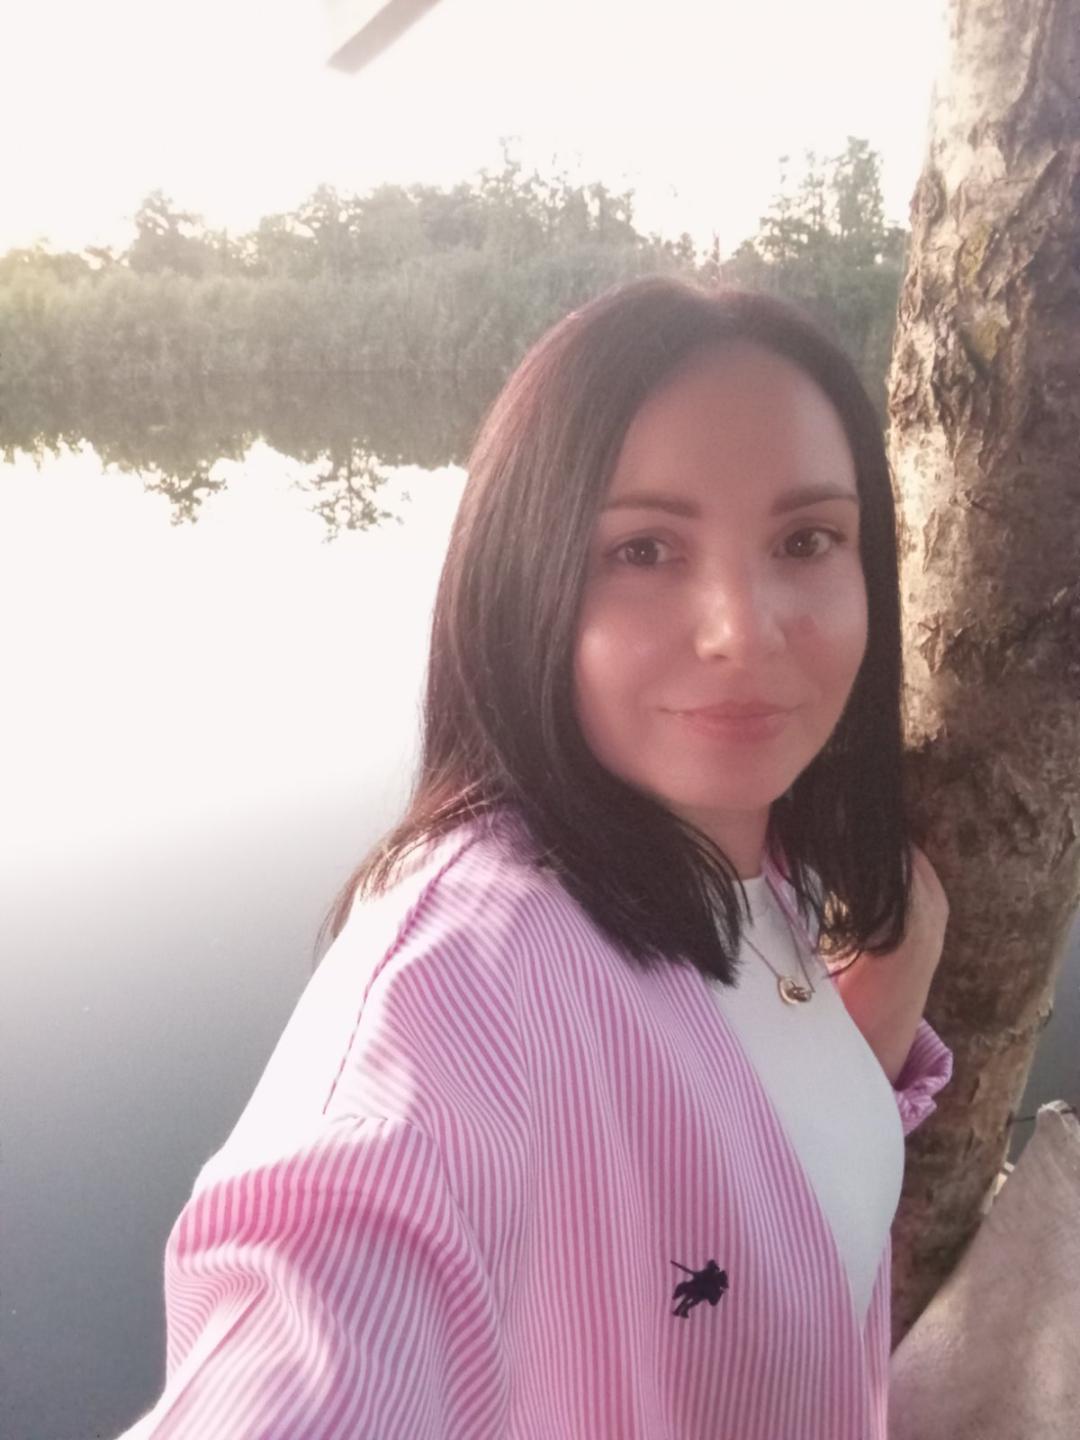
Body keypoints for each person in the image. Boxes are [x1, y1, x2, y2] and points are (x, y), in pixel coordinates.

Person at [117, 276, 953, 1440]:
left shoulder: (764, 871)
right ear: (526, 578)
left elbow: (762, 1160)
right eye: (645, 549)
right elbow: (323, 1306)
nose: (744, 628)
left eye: (806, 539)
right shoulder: (469, 972)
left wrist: (879, 1023)